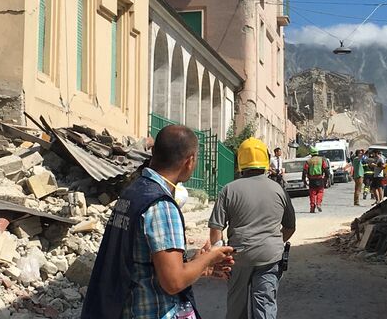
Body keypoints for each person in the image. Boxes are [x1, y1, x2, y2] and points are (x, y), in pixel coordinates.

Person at [82, 125, 235, 319]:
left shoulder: (135, 191)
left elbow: (143, 262)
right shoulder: (161, 205)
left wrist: (199, 266)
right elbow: (173, 282)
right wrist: (209, 257)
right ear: (190, 161)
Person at [209, 137, 296, 319]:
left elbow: (216, 229)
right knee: (265, 306)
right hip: (269, 256)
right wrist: (273, 242)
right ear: (265, 160)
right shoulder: (278, 189)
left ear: (241, 161)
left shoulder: (229, 190)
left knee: (236, 307)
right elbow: (290, 226)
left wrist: (220, 257)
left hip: (238, 256)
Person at [302, 147, 330, 213]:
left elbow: (304, 171)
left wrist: (304, 180)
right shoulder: (322, 160)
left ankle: (312, 207)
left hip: (311, 180)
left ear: (311, 154)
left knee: (312, 193)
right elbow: (326, 169)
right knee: (320, 192)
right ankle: (318, 203)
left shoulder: (308, 161)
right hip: (320, 178)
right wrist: (326, 177)